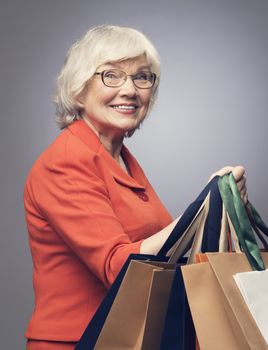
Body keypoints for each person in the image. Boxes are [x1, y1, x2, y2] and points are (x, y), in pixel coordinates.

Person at [23, 24, 247, 349]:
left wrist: (224, 207)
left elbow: (168, 256)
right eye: (111, 75)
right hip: (81, 341)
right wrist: (200, 211)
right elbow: (122, 269)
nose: (129, 90)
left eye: (141, 77)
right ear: (78, 88)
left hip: (131, 338)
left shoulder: (120, 158)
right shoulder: (68, 160)